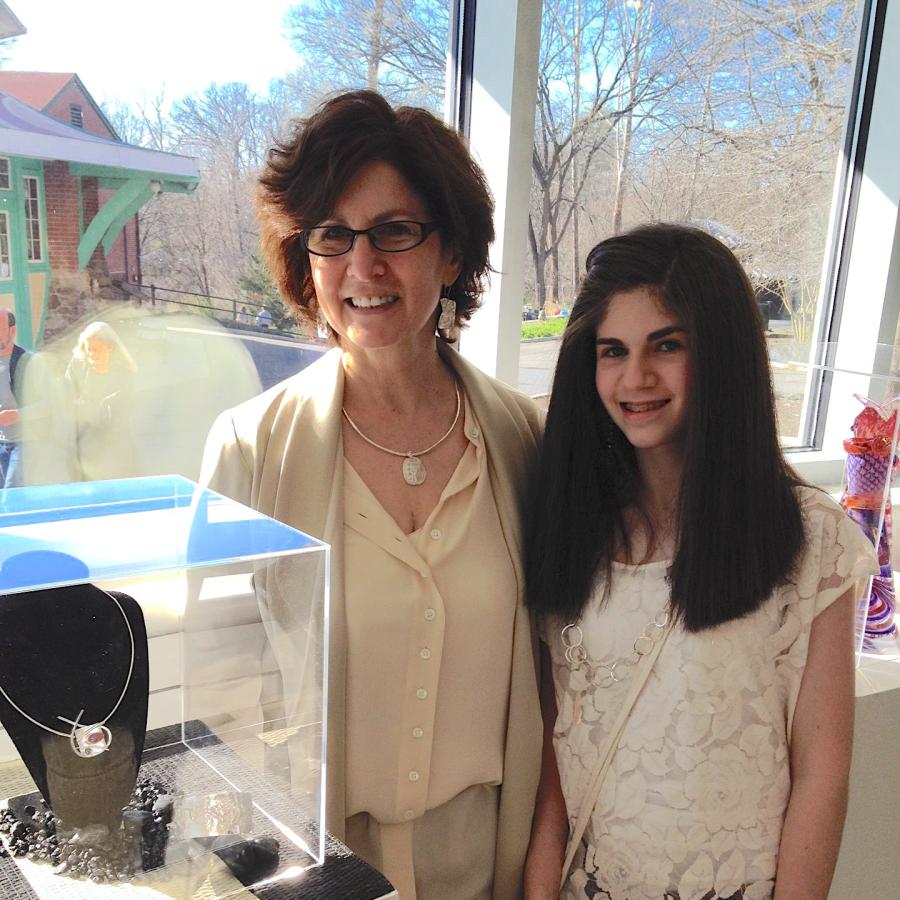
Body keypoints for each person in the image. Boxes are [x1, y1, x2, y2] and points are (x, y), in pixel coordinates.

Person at [200, 90, 543, 900]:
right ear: (305, 261)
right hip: (316, 865)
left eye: (395, 230)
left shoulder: (521, 440)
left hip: (486, 859)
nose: (364, 266)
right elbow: (217, 706)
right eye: (333, 236)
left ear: (451, 253)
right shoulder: (250, 449)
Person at [522, 224, 878, 900]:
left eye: (667, 346)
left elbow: (821, 780)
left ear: (719, 355)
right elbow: (555, 776)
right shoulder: (572, 534)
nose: (636, 378)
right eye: (612, 351)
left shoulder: (812, 543)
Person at [65, 321, 138, 481]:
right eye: (88, 349)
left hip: (114, 446)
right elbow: (67, 395)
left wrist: (86, 405)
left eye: (96, 349)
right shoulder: (78, 365)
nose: (91, 354)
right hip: (82, 442)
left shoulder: (125, 374)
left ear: (110, 347)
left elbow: (116, 415)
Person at [0, 311, 30, 488]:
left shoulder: (28, 362)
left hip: (24, 442)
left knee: (12, 492)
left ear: (13, 331)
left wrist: (18, 415)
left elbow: (48, 404)